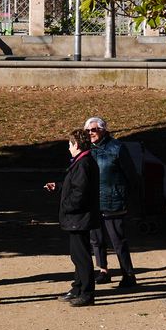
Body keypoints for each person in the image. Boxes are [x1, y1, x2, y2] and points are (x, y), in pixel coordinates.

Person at [45, 128, 100, 306]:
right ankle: (77, 287)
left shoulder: (83, 163)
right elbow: (75, 185)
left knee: (81, 256)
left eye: (70, 144)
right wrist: (60, 186)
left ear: (76, 144)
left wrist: (66, 206)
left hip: (79, 217)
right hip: (78, 217)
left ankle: (87, 293)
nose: (68, 148)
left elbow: (80, 192)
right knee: (77, 255)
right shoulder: (81, 161)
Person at [84, 115, 139, 290]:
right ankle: (103, 271)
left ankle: (128, 274)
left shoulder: (117, 148)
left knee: (118, 240)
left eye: (94, 130)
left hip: (113, 201)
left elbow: (131, 175)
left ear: (103, 130)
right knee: (96, 239)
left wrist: (131, 199)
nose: (90, 133)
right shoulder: (86, 149)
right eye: (88, 130)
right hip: (93, 202)